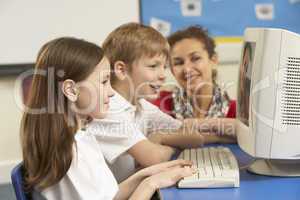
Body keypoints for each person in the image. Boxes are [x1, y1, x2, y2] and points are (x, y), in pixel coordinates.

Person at [21, 37, 196, 200]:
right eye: (104, 82)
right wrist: (152, 183)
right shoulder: (68, 151)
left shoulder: (80, 136)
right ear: (71, 90)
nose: (112, 92)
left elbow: (109, 195)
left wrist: (150, 173)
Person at [98, 22, 234, 183]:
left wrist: (161, 137)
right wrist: (166, 142)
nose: (163, 75)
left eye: (164, 67)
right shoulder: (109, 109)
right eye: (153, 66)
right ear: (121, 70)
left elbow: (194, 137)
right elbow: (155, 157)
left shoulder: (142, 106)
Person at [150, 25, 237, 138]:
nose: (187, 69)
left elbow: (252, 135)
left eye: (195, 58)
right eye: (179, 63)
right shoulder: (161, 104)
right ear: (172, 70)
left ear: (213, 60)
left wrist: (193, 125)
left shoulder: (236, 111)